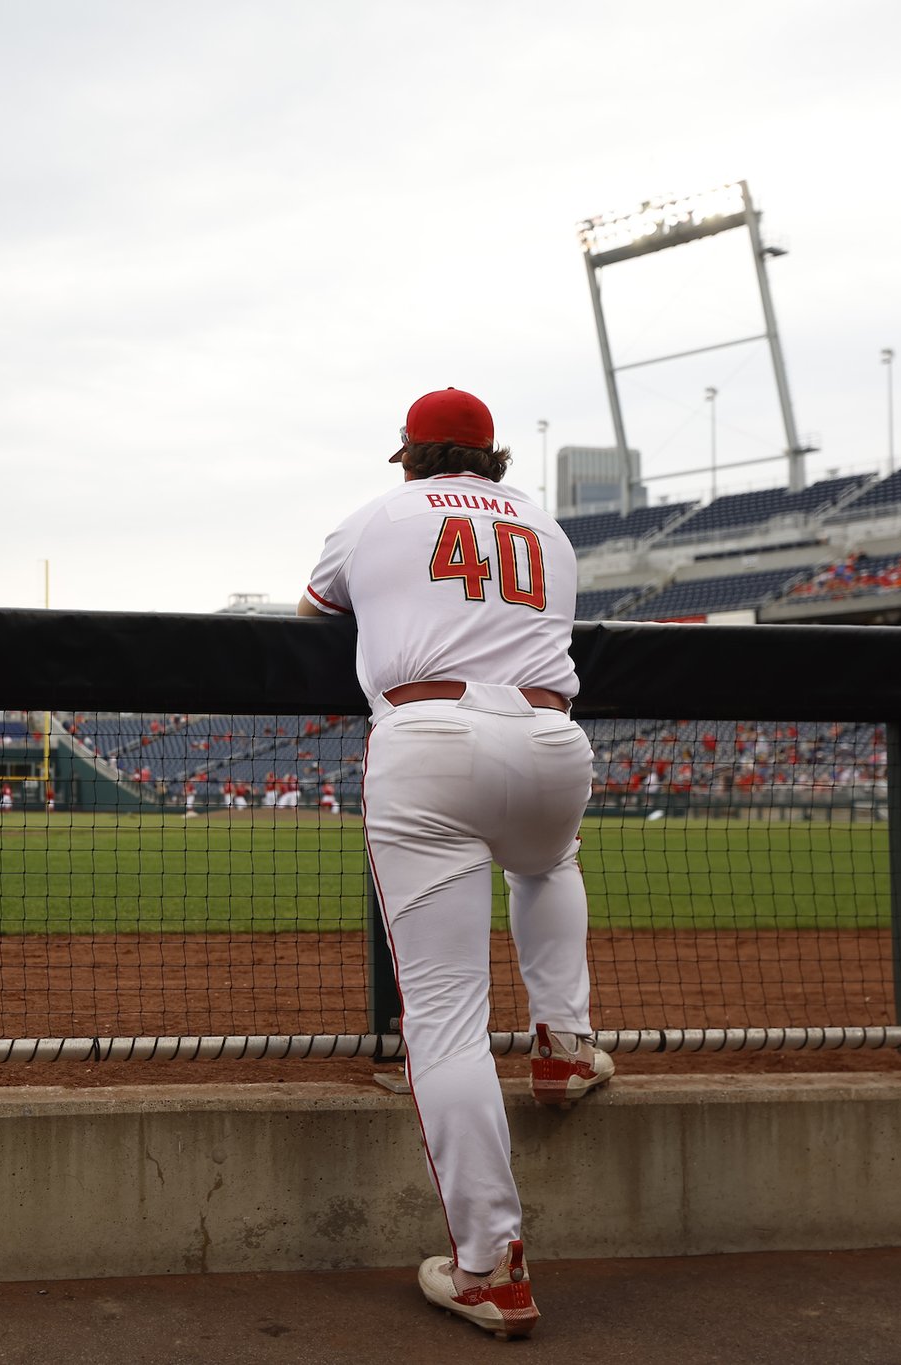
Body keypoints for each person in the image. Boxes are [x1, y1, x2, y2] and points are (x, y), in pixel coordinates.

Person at [300, 386, 611, 1341]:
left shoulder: (380, 514)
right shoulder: (549, 529)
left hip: (430, 733)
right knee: (548, 864)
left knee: (443, 1022)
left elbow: (315, 610)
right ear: (495, 458)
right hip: (552, 740)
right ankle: (563, 1041)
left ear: (410, 456)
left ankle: (490, 1266)